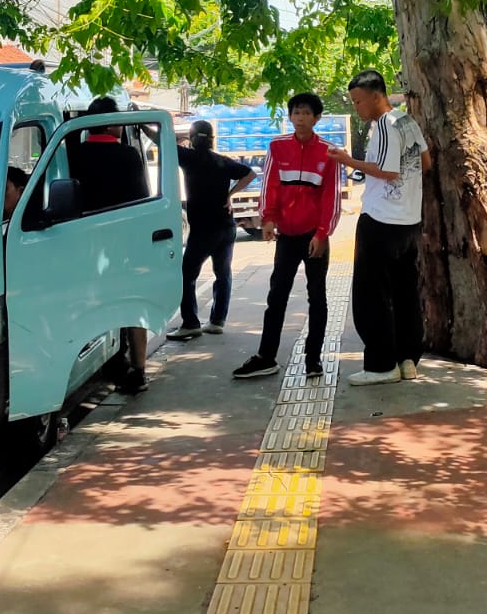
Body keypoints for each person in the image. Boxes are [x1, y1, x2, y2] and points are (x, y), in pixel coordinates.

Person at [327, 70, 429, 386]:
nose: (356, 107)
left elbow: (387, 170)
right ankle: (407, 359)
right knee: (405, 292)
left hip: (381, 219)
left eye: (358, 101)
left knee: (371, 295)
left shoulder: (385, 125)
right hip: (409, 221)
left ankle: (381, 364)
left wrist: (347, 160)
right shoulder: (407, 121)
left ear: (376, 96)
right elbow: (426, 163)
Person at [232, 93, 342, 380]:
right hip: (287, 236)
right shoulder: (277, 147)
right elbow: (270, 185)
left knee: (317, 297)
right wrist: (268, 219)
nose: (300, 118)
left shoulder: (329, 152)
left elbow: (331, 197)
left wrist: (322, 233)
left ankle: (313, 359)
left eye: (306, 113)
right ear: (290, 116)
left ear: (317, 118)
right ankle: (266, 356)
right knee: (276, 295)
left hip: (314, 236)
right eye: (296, 113)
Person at [73, 95, 153, 393]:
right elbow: (142, 201)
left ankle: (103, 360)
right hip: (125, 242)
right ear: (111, 124)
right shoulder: (128, 155)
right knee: (133, 306)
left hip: (85, 242)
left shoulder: (74, 154)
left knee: (95, 304)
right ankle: (138, 370)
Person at [169, 121, 255, 342]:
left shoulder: (189, 158)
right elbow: (250, 174)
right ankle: (217, 322)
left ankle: (190, 324)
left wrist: (147, 125)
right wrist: (229, 194)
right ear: (211, 139)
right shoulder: (222, 161)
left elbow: (163, 141)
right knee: (223, 273)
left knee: (186, 274)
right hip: (226, 227)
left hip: (203, 230)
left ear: (191, 138)